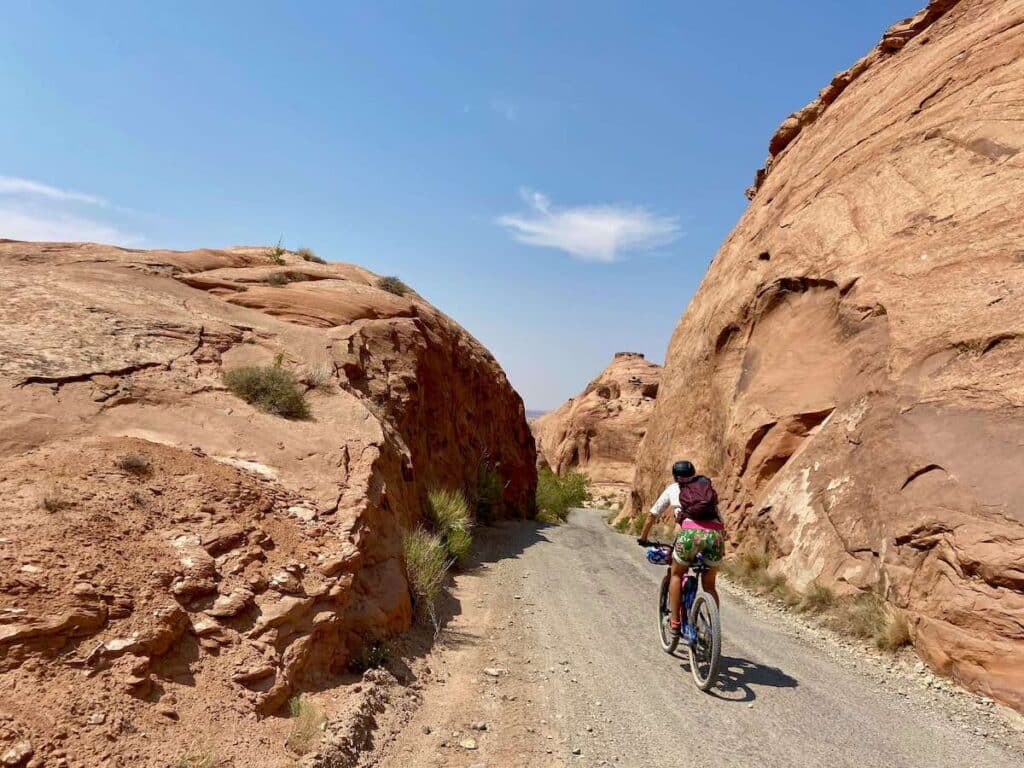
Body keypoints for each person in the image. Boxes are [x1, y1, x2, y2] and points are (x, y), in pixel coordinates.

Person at [638, 460, 725, 638]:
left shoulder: (673, 489)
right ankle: (713, 629)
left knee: (676, 574)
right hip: (714, 536)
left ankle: (675, 623)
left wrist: (643, 537)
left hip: (688, 535)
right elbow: (720, 520)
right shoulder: (705, 488)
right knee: (709, 585)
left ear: (675, 475)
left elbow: (652, 515)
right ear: (693, 472)